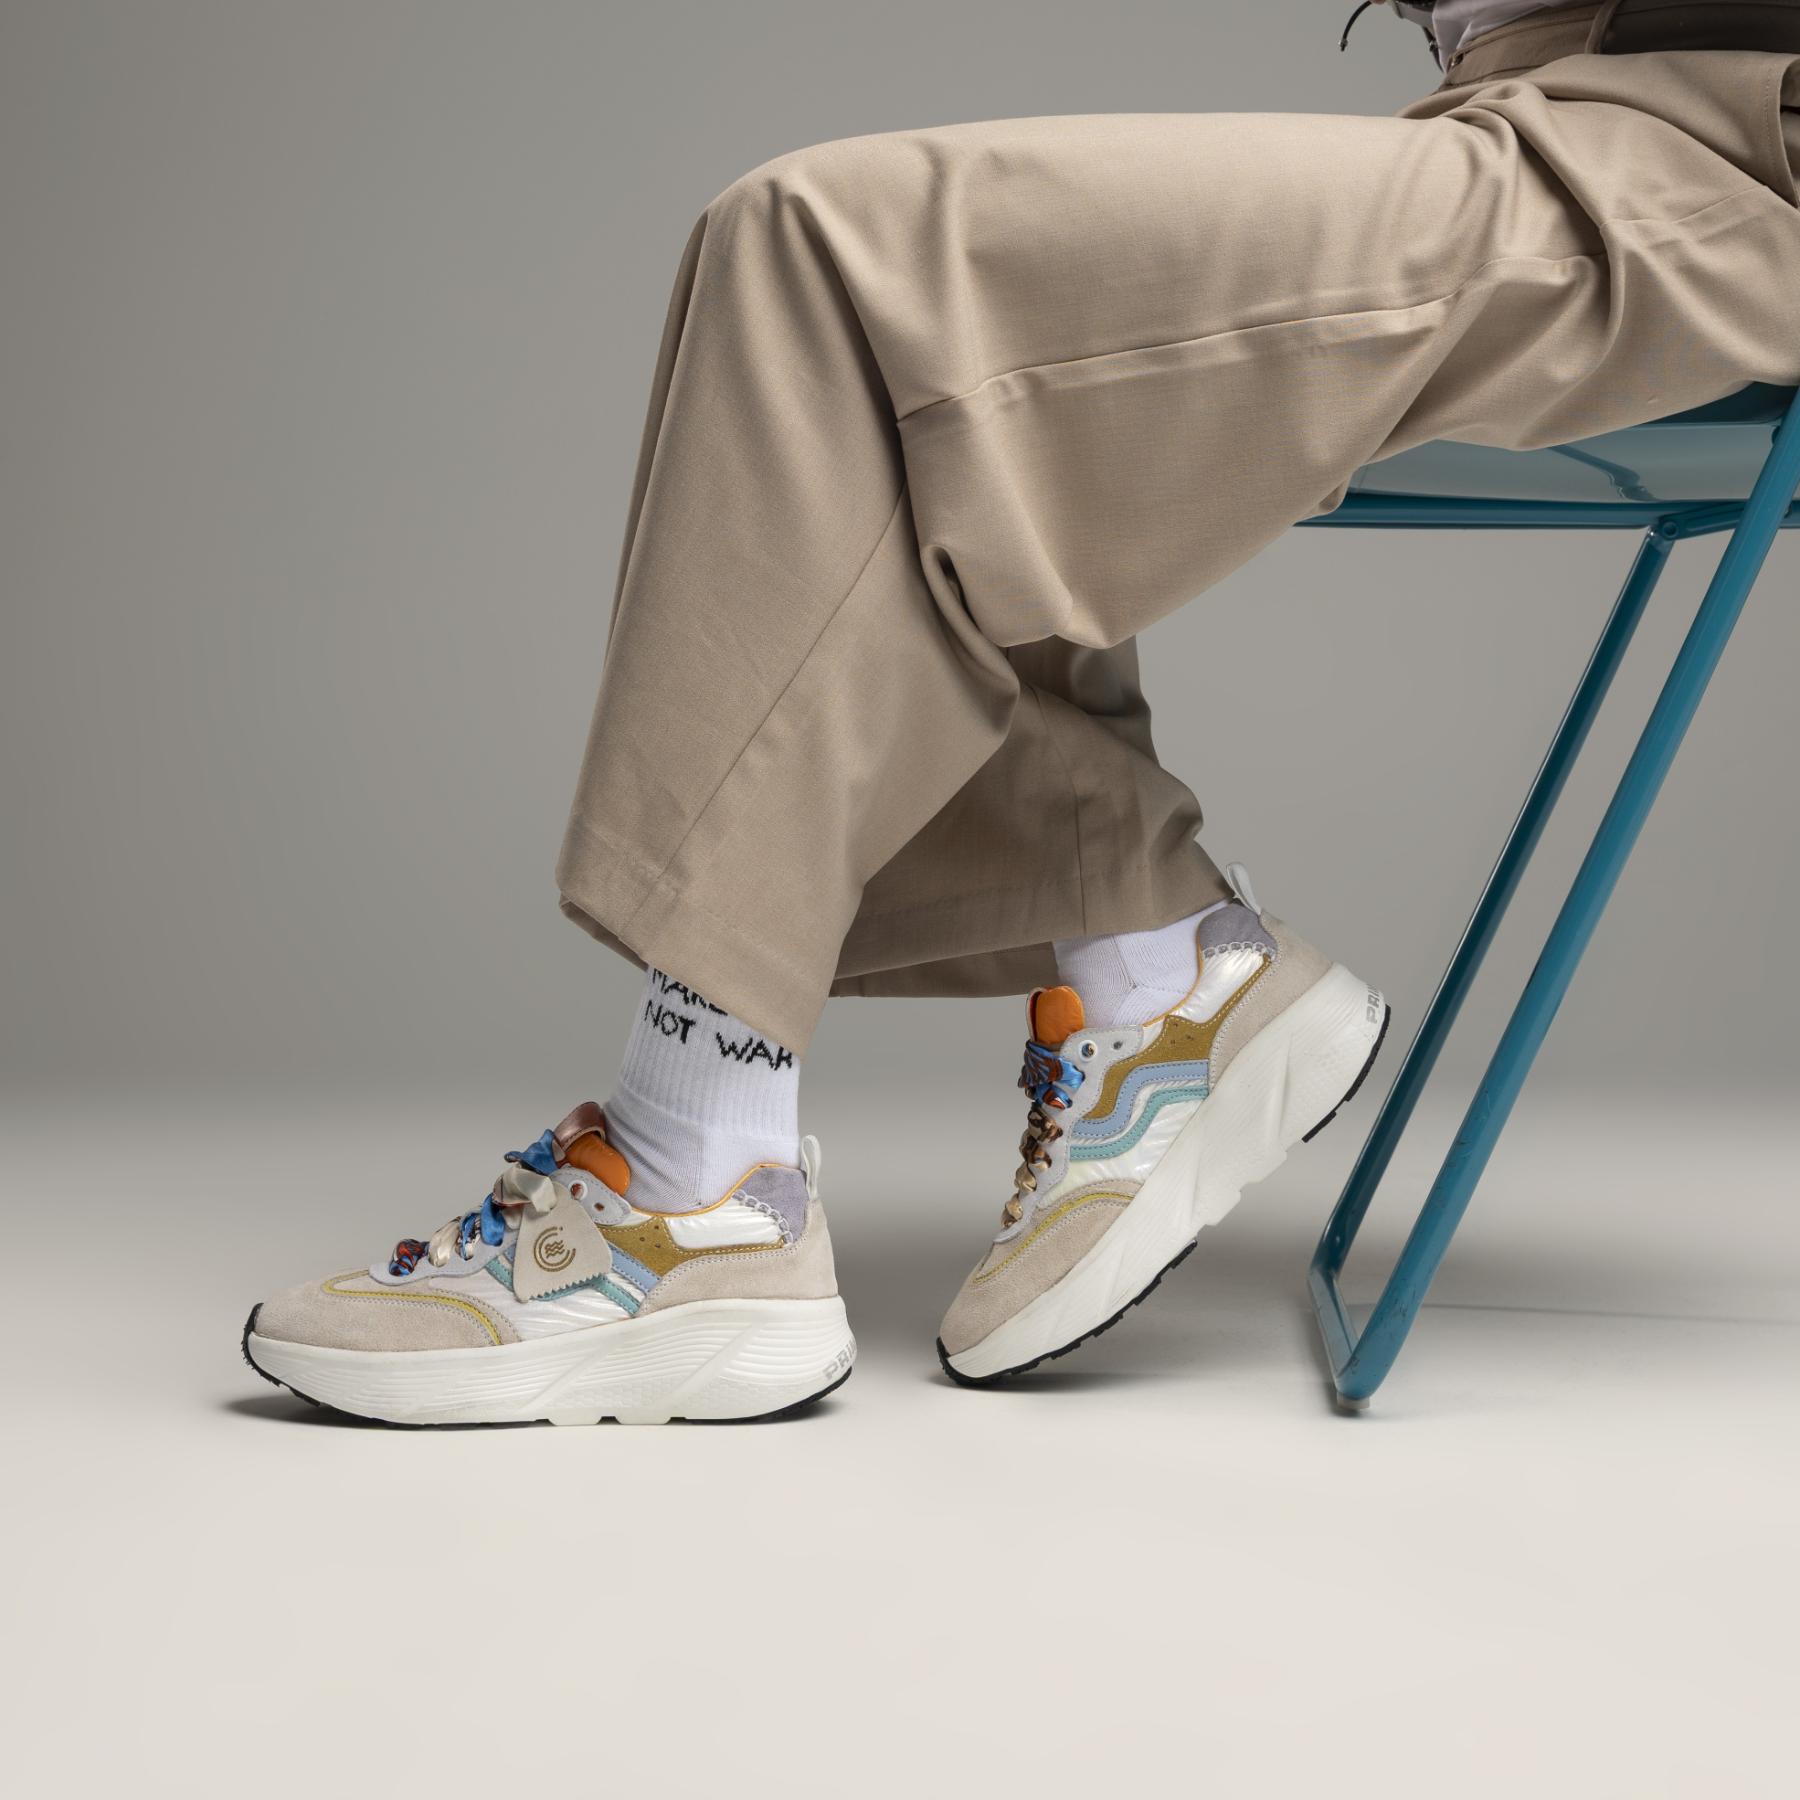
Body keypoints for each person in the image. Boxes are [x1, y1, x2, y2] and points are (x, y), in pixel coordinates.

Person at [242, 0, 1800, 1423]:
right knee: (899, 327)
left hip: (1714, 150)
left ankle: (691, 1176)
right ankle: (1151, 972)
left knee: (822, 256)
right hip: (1540, 113)